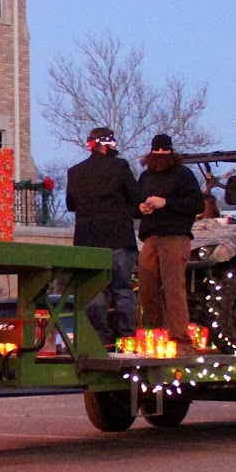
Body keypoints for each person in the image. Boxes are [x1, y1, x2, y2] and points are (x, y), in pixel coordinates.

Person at [66, 127, 143, 347]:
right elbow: (136, 196)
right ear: (107, 145)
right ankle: (127, 337)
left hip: (87, 240)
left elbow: (71, 205)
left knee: (94, 291)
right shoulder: (120, 167)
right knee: (123, 289)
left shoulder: (75, 171)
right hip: (118, 236)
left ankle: (101, 337)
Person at [135, 134, 204, 352]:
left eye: (164, 151)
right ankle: (156, 333)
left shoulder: (183, 175)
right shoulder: (145, 177)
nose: (161, 155)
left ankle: (181, 339)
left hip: (175, 237)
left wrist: (166, 203)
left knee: (173, 288)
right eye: (157, 151)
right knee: (146, 288)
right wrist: (141, 208)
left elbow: (196, 204)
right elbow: (135, 201)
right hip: (150, 237)